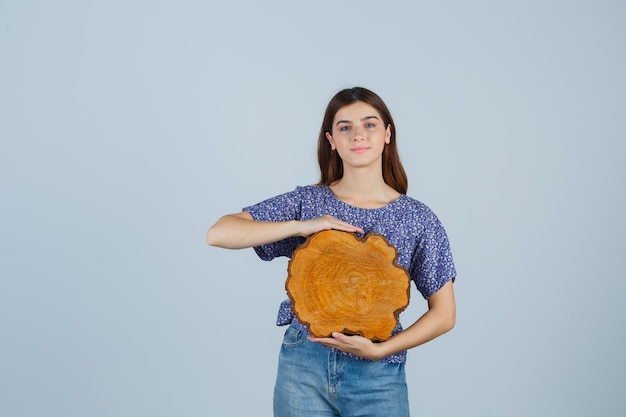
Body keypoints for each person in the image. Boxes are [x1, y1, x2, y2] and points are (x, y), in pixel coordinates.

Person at [206, 87, 457, 417]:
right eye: (345, 127)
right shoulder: (309, 203)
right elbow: (219, 233)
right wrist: (300, 226)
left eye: (369, 124)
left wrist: (382, 351)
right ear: (332, 140)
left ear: (387, 134)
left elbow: (445, 314)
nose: (357, 135)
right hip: (303, 365)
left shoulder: (418, 218)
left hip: (377, 375)